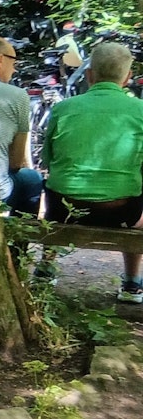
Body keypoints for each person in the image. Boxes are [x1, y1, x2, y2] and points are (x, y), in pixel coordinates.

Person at [42, 41, 143, 302]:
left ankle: (44, 269)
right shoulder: (140, 111)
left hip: (64, 208)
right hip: (121, 210)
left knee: (54, 189)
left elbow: (48, 159)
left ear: (89, 74)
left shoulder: (63, 108)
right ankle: (132, 284)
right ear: (128, 77)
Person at [0, 36, 44, 217]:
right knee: (32, 178)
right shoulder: (17, 95)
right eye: (13, 62)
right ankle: (17, 243)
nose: (14, 70)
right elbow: (16, 162)